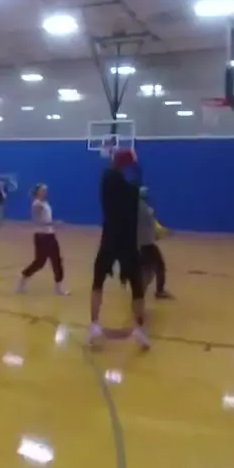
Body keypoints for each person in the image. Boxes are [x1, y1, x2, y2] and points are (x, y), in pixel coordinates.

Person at [89, 148, 149, 349]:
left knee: (98, 282)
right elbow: (135, 187)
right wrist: (137, 174)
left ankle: (94, 325)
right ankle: (139, 328)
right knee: (136, 287)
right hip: (126, 241)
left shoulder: (107, 180)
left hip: (109, 238)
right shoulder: (127, 186)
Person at [16, 184, 68, 295]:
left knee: (56, 260)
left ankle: (58, 288)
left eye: (46, 190)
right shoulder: (37, 205)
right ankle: (23, 277)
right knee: (39, 262)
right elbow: (37, 222)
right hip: (41, 237)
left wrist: (52, 225)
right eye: (43, 190)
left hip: (50, 235)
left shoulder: (45, 203)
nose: (45, 192)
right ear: (38, 192)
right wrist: (54, 223)